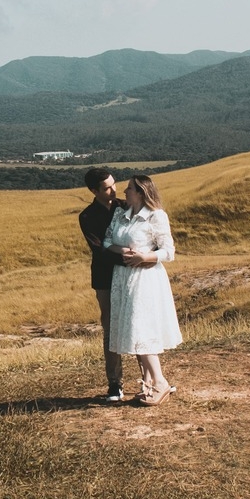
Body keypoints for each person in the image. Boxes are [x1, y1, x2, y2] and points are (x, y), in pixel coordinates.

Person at [104, 173, 182, 405]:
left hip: (146, 278)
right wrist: (122, 251)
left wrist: (144, 256)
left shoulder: (156, 216)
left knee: (140, 328)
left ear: (140, 192)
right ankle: (148, 385)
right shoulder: (120, 214)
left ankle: (160, 382)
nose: (124, 191)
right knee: (132, 327)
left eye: (129, 188)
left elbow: (168, 251)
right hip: (123, 278)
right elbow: (107, 241)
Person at [77, 165, 125, 402]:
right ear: (94, 191)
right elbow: (98, 249)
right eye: (107, 188)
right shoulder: (86, 216)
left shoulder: (126, 206)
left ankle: (149, 377)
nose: (114, 190)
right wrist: (129, 258)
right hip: (105, 277)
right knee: (110, 329)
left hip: (129, 275)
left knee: (136, 323)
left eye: (114, 184)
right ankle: (114, 383)